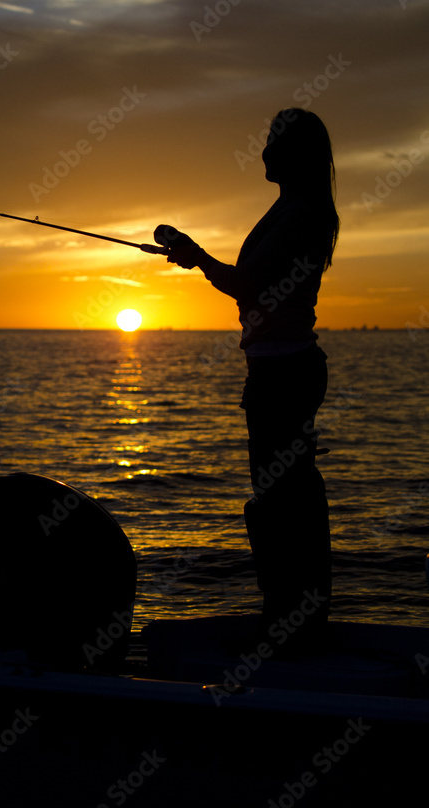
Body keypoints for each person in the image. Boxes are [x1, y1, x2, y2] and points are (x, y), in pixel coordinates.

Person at [157, 108, 339, 652]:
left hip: (283, 374)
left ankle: (290, 624)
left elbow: (248, 286)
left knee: (280, 503)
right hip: (279, 368)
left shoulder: (301, 212)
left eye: (273, 143)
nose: (262, 152)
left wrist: (196, 257)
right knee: (285, 499)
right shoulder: (290, 208)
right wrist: (198, 258)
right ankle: (292, 618)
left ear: (294, 154)